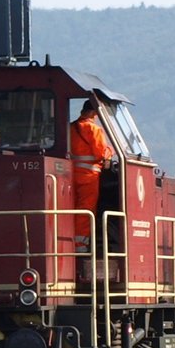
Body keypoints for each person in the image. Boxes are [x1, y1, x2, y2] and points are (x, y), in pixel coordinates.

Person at [70, 97, 114, 248]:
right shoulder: (94, 129)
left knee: (70, 208)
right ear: (94, 113)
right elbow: (100, 153)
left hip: (70, 176)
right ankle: (80, 245)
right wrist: (110, 151)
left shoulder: (70, 128)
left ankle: (68, 242)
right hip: (89, 176)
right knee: (86, 209)